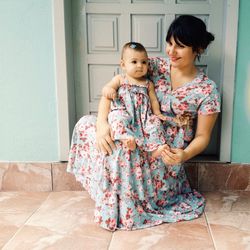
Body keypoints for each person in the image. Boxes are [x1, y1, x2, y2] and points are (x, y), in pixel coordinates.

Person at [67, 15, 220, 231]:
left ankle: (125, 203)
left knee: (122, 148)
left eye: (180, 46)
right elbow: (114, 89)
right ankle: (112, 199)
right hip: (136, 129)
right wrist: (103, 124)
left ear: (198, 49)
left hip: (162, 149)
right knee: (87, 125)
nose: (171, 51)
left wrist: (184, 155)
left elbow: (203, 136)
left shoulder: (207, 90)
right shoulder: (153, 66)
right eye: (169, 43)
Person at [102, 42, 169, 157]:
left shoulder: (148, 84)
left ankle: (154, 150)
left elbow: (153, 100)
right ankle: (126, 139)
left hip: (143, 116)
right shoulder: (120, 79)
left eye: (144, 62)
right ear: (123, 65)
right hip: (124, 111)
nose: (140, 65)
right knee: (117, 119)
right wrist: (109, 90)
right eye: (134, 62)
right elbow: (107, 88)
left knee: (155, 125)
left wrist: (157, 113)